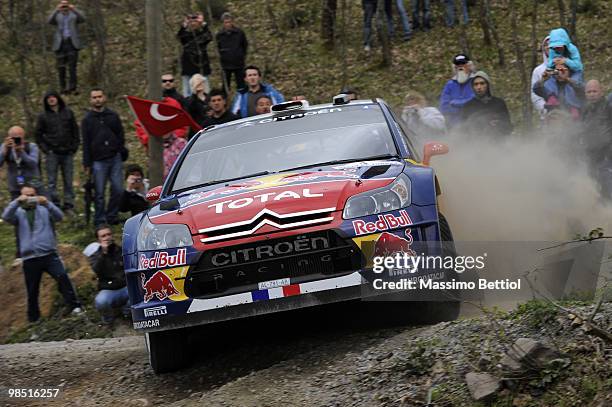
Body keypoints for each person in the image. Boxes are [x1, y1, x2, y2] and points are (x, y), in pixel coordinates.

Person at [2, 183, 82, 322]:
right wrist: (16, 202)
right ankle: (33, 320)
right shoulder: (19, 212)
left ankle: (75, 306)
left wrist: (47, 203)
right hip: (29, 257)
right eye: (26, 195)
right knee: (32, 291)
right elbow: (6, 217)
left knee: (63, 277)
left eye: (32, 195)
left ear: (37, 195)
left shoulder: (44, 209)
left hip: (49, 254)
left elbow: (59, 216)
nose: (30, 198)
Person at [81, 88, 126, 226]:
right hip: (98, 160)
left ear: (104, 97)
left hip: (114, 157)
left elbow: (120, 134)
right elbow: (86, 142)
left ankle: (111, 215)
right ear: (90, 100)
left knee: (118, 189)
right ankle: (99, 219)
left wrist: (120, 149)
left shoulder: (112, 115)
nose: (97, 99)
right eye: (94, 97)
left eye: (99, 96)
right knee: (99, 193)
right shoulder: (87, 119)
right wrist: (87, 163)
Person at [35, 91, 79, 213]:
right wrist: (46, 149)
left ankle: (69, 204)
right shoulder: (43, 116)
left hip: (67, 152)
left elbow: (75, 131)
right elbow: (38, 135)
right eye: (48, 98)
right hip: (52, 153)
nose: (51, 99)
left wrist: (74, 146)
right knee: (51, 181)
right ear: (46, 101)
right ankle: (54, 204)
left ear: (58, 98)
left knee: (68, 180)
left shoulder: (68, 113)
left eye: (53, 97)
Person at [87, 225, 129, 325]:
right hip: (108, 291)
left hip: (126, 288)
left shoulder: (121, 250)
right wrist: (104, 253)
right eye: (103, 236)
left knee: (141, 291)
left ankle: (127, 314)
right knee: (101, 301)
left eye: (109, 234)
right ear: (98, 240)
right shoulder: (95, 256)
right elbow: (96, 270)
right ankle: (108, 321)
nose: (107, 237)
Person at [580, 80, 612, 199]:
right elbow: (581, 128)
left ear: (601, 92)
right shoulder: (585, 110)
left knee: (607, 180)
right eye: (589, 92)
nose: (592, 94)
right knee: (594, 182)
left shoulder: (609, 107)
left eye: (594, 91)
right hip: (591, 152)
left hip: (607, 151)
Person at [48, 1, 85, 95]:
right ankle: (63, 88)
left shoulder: (73, 15)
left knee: (72, 67)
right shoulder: (57, 15)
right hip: (60, 44)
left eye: (66, 5)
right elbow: (49, 21)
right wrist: (56, 10)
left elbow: (83, 19)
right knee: (61, 67)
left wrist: (74, 9)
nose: (65, 7)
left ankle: (73, 87)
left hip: (72, 43)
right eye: (63, 5)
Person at [461, 71, 513, 136]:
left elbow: (508, 126)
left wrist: (498, 124)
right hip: (476, 143)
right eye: (476, 84)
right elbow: (463, 131)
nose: (479, 87)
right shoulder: (468, 106)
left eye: (482, 83)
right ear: (473, 87)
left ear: (488, 85)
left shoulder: (499, 103)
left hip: (498, 142)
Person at [177, 12, 212, 97]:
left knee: (205, 93)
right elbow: (179, 37)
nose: (193, 23)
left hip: (202, 67)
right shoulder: (186, 36)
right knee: (187, 94)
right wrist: (184, 25)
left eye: (195, 21)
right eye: (191, 21)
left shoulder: (202, 35)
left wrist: (203, 24)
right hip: (188, 67)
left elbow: (209, 37)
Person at [0, 126, 41, 199]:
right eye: (13, 137)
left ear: (23, 136)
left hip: (32, 182)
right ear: (9, 137)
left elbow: (33, 164)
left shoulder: (32, 146)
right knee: (17, 207)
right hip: (15, 184)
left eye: (19, 137)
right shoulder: (5, 146)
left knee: (35, 206)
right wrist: (4, 151)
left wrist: (21, 152)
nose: (16, 140)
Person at [439, 54, 475, 128]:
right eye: (458, 64)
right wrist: (464, 106)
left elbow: (475, 104)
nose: (460, 67)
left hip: (474, 124)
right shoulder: (449, 84)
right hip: (454, 127)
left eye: (463, 64)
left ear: (469, 66)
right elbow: (444, 107)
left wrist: (454, 103)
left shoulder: (476, 81)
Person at [216, 12, 248, 92]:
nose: (228, 24)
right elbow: (218, 47)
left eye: (229, 22)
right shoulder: (219, 35)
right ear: (223, 23)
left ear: (232, 22)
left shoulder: (239, 33)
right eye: (226, 22)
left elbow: (244, 45)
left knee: (241, 85)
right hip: (225, 64)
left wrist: (240, 55)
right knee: (225, 86)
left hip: (238, 63)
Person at [531, 36, 550, 120]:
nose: (549, 47)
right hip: (547, 116)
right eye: (546, 45)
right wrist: (545, 108)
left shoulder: (568, 66)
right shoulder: (538, 71)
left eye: (551, 44)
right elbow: (534, 95)